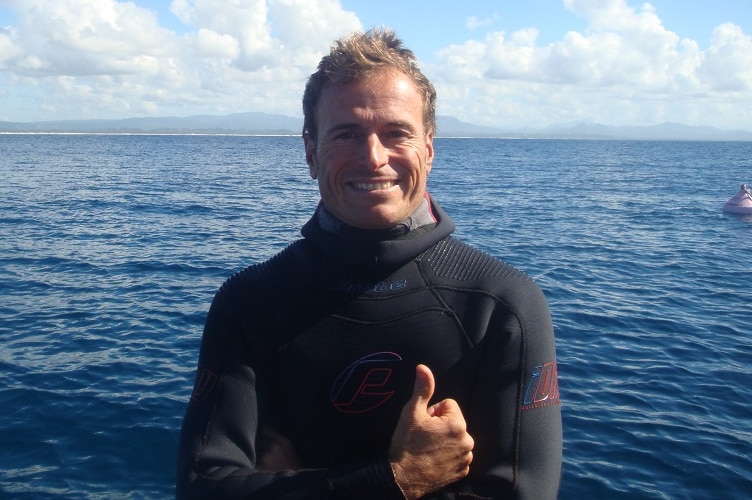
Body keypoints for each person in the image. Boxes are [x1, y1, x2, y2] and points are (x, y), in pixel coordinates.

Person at [177, 28, 562, 499]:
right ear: (310, 152)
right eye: (347, 134)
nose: (374, 157)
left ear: (429, 148)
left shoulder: (502, 306)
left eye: (396, 133)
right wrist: (397, 480)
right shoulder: (249, 303)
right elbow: (202, 489)